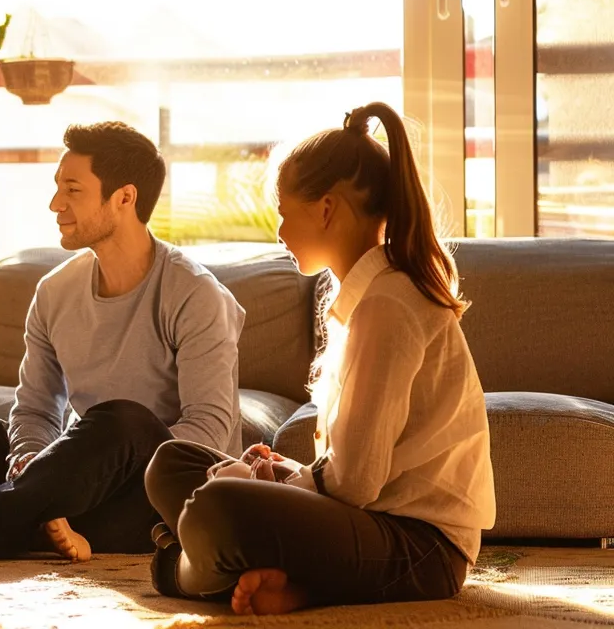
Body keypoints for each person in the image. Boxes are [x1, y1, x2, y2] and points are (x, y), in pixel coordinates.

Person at [145, 102, 495, 615]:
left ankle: (180, 568)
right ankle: (276, 579)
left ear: (326, 209)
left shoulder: (389, 305)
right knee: (172, 464)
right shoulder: (366, 297)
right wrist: (285, 471)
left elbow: (356, 483)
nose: (280, 232)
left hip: (421, 548)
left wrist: (270, 483)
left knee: (217, 507)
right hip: (375, 519)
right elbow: (358, 467)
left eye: (285, 213)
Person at [0, 122, 247, 561]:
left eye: (72, 190)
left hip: (157, 496)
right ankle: (25, 515)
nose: (55, 204)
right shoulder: (54, 291)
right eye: (57, 188)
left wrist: (89, 475)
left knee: (125, 421)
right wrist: (32, 460)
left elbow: (207, 432)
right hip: (72, 477)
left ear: (124, 198)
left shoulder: (194, 293)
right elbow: (35, 408)